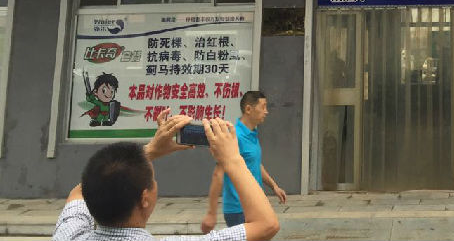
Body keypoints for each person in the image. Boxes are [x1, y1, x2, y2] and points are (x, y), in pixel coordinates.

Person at [52, 109, 279, 241]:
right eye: (152, 179)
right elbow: (267, 224)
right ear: (145, 198)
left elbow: (80, 191)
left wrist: (151, 150)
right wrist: (232, 159)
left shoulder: (69, 235)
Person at [202, 91, 286, 232]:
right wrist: (211, 213)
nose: (266, 111)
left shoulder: (252, 134)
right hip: (239, 210)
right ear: (248, 109)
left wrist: (274, 187)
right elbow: (218, 174)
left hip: (254, 205)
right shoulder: (235, 136)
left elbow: (255, 164)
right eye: (263, 107)